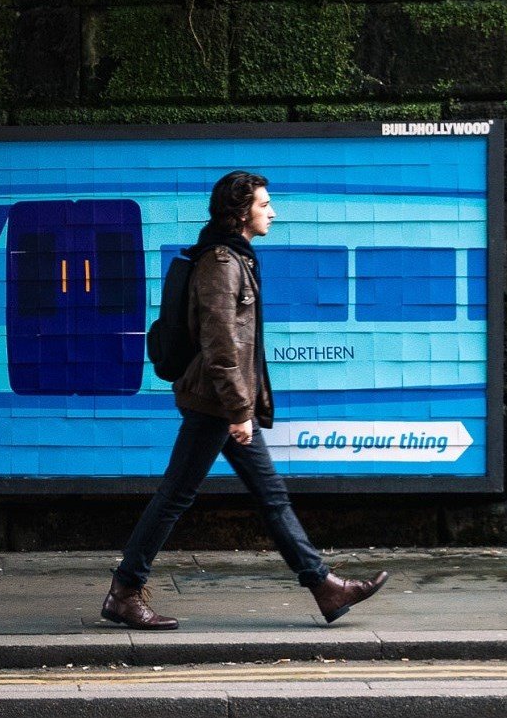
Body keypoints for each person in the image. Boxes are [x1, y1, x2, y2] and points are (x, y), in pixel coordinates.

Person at [101, 171, 388, 630]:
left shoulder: (235, 257)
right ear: (240, 212)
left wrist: (242, 409)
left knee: (270, 496)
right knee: (176, 496)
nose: (272, 212)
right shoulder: (221, 263)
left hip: (228, 405)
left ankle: (324, 586)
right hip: (216, 404)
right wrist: (239, 412)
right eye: (263, 204)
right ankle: (125, 591)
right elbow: (220, 346)